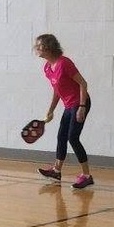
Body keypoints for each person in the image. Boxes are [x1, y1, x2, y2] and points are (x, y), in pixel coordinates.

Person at [34, 33, 94, 189]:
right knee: (61, 136)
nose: (36, 48)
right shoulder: (47, 67)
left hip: (80, 102)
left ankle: (87, 176)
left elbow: (83, 83)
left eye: (39, 45)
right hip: (69, 105)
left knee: (73, 138)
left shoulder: (64, 63)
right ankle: (56, 170)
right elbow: (57, 90)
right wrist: (51, 110)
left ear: (49, 47)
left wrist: (81, 107)